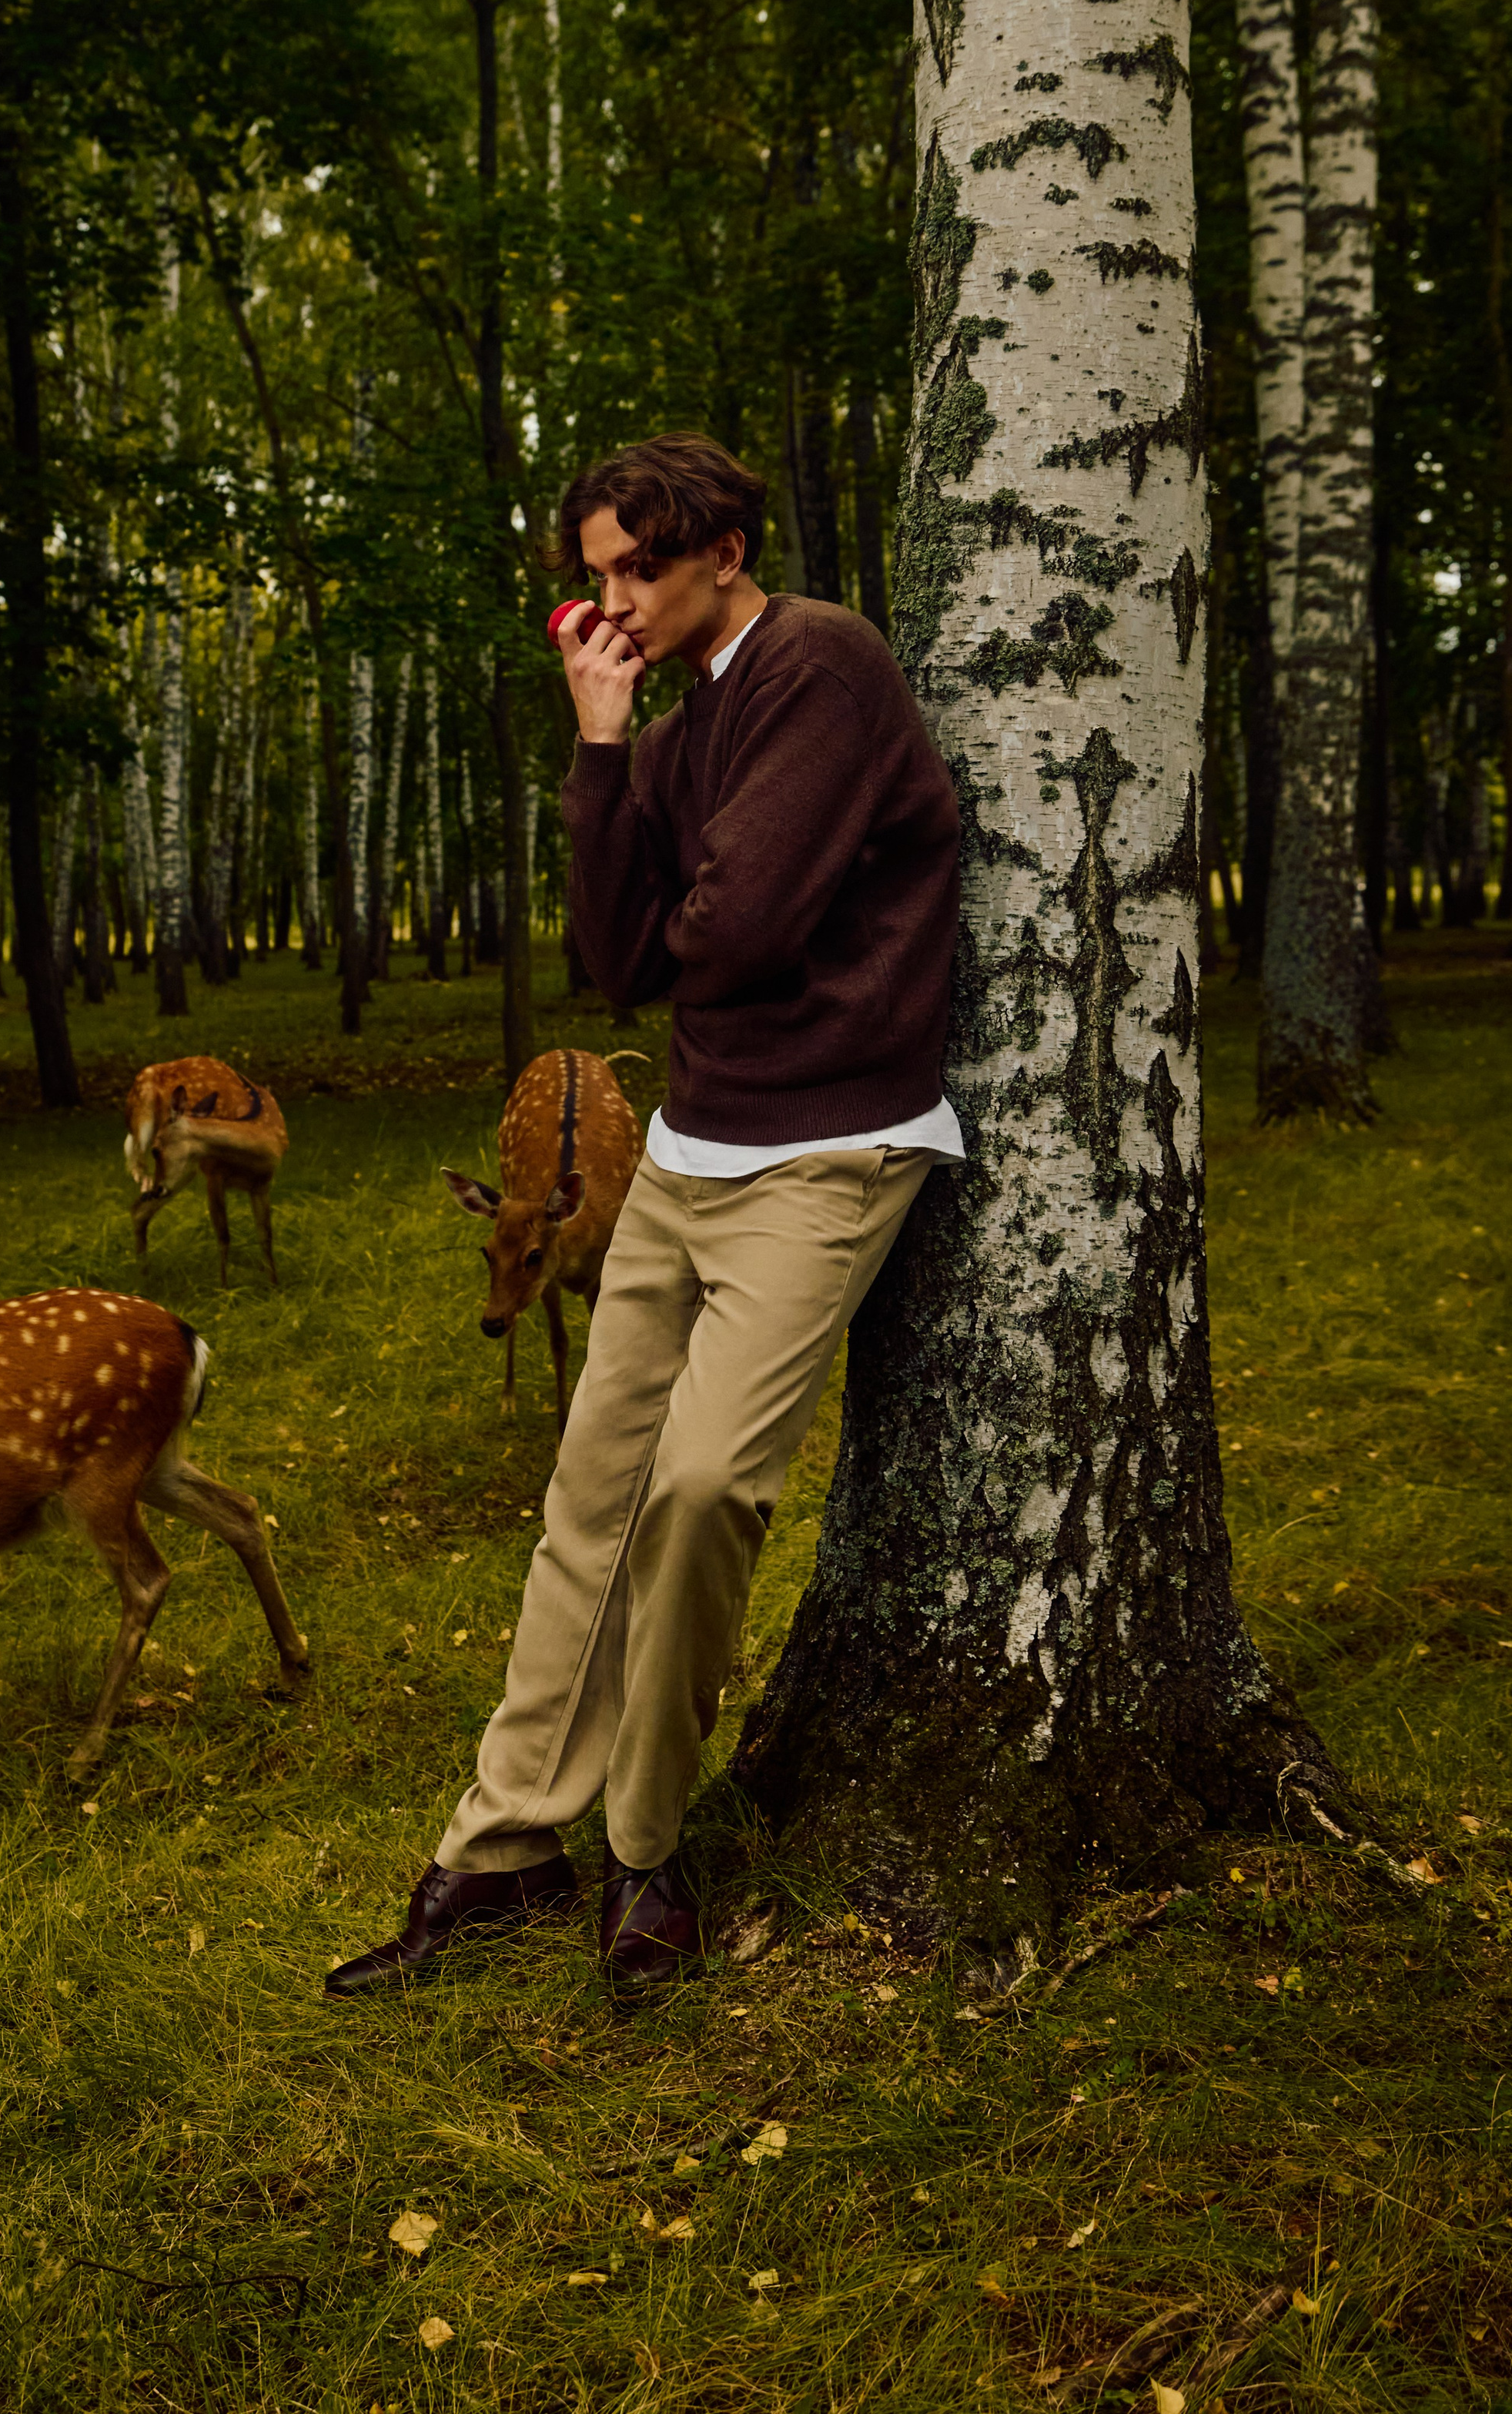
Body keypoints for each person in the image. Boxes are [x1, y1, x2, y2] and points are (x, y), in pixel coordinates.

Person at [326, 431, 961, 2007]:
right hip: (687, 1148)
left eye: (638, 566)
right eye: (594, 574)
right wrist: (602, 748)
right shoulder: (673, 734)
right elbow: (621, 961)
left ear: (724, 551)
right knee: (589, 1499)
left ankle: (644, 1846)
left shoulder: (818, 663)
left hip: (831, 1148)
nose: (609, 601)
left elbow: (741, 930)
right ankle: (500, 1849)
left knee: (700, 1487)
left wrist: (700, 916)